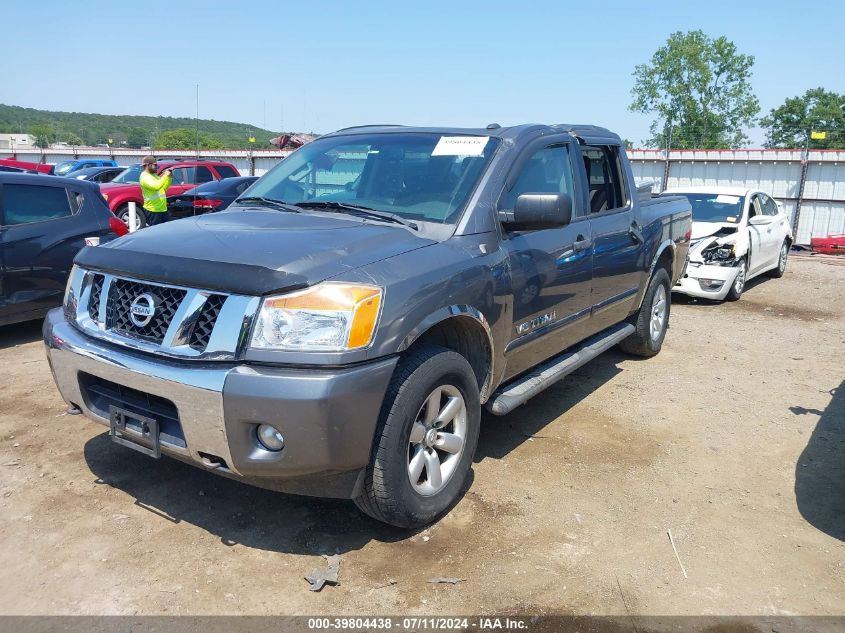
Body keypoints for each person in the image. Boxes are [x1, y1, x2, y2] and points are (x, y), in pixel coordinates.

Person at [139, 156, 172, 227]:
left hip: (162, 209)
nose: (157, 167)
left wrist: (169, 178)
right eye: (155, 165)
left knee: (165, 231)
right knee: (155, 233)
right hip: (152, 210)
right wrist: (165, 176)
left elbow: (163, 188)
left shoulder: (154, 175)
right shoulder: (144, 177)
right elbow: (156, 187)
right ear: (148, 165)